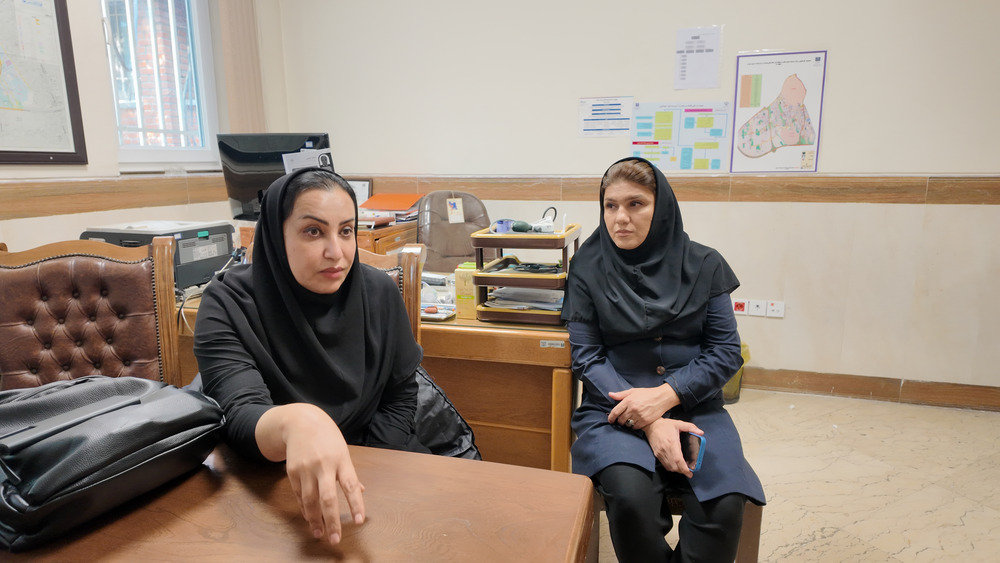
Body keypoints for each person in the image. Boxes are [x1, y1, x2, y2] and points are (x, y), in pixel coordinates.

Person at [193, 167, 428, 546]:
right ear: (276, 235)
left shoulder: (379, 292)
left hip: (376, 469)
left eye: (346, 231)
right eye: (313, 231)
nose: (336, 252)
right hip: (271, 483)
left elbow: (400, 398)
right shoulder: (228, 303)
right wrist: (296, 423)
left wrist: (356, 470)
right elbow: (237, 414)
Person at [561, 157, 765, 562]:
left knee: (723, 505)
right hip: (613, 409)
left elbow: (725, 352)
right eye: (610, 205)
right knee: (630, 497)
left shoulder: (705, 264)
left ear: (662, 208)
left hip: (695, 406)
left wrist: (667, 396)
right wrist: (648, 418)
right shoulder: (587, 266)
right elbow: (586, 356)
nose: (620, 218)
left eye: (635, 204)